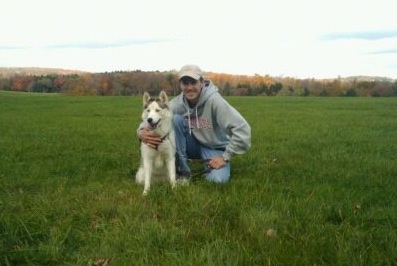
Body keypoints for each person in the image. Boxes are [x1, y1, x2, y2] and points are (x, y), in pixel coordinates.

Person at [138, 64, 251, 183]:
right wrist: (141, 132)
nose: (189, 87)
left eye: (193, 82)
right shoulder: (177, 103)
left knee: (218, 180)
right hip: (191, 145)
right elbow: (154, 117)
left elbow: (243, 129)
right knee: (175, 119)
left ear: (202, 82)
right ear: (180, 85)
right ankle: (183, 172)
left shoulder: (215, 101)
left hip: (214, 147)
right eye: (185, 83)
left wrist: (224, 157)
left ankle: (213, 161)